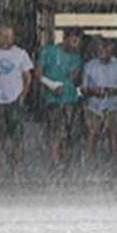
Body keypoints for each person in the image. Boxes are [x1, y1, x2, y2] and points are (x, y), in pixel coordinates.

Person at [37, 27, 84, 174]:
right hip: (53, 100)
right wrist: (51, 85)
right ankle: (55, 164)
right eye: (74, 40)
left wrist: (78, 84)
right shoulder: (48, 51)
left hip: (71, 100)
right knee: (56, 132)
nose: (76, 44)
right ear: (65, 38)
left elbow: (76, 80)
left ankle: (65, 164)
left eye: (79, 41)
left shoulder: (78, 58)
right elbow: (37, 74)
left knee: (69, 134)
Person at [0, 24, 33, 179]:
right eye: (3, 35)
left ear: (14, 37)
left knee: (17, 138)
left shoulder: (21, 53)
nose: (7, 39)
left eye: (10, 35)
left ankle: (18, 172)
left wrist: (23, 96)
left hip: (15, 100)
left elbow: (28, 77)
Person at [81, 37, 117, 174]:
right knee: (93, 134)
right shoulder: (89, 66)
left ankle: (115, 168)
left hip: (114, 105)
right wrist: (93, 91)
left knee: (113, 137)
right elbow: (82, 90)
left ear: (112, 50)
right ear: (97, 50)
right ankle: (89, 167)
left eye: (107, 49)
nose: (104, 52)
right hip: (94, 106)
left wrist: (112, 91)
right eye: (101, 49)